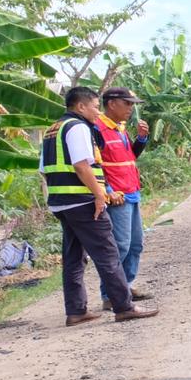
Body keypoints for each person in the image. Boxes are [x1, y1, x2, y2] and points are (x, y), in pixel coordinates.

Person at [41, 86, 158, 326]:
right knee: (108, 254)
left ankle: (76, 311)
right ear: (81, 106)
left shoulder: (53, 130)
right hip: (82, 201)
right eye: (95, 106)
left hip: (62, 202)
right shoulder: (78, 127)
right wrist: (100, 195)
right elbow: (82, 166)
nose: (97, 111)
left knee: (73, 258)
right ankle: (123, 306)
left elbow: (43, 169)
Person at [95, 86, 154, 309]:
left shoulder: (119, 128)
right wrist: (108, 190)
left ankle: (125, 286)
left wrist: (141, 138)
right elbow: (95, 165)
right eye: (127, 103)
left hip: (132, 192)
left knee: (136, 245)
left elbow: (130, 156)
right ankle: (110, 295)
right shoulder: (97, 129)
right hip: (117, 196)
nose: (131, 108)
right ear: (112, 103)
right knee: (120, 246)